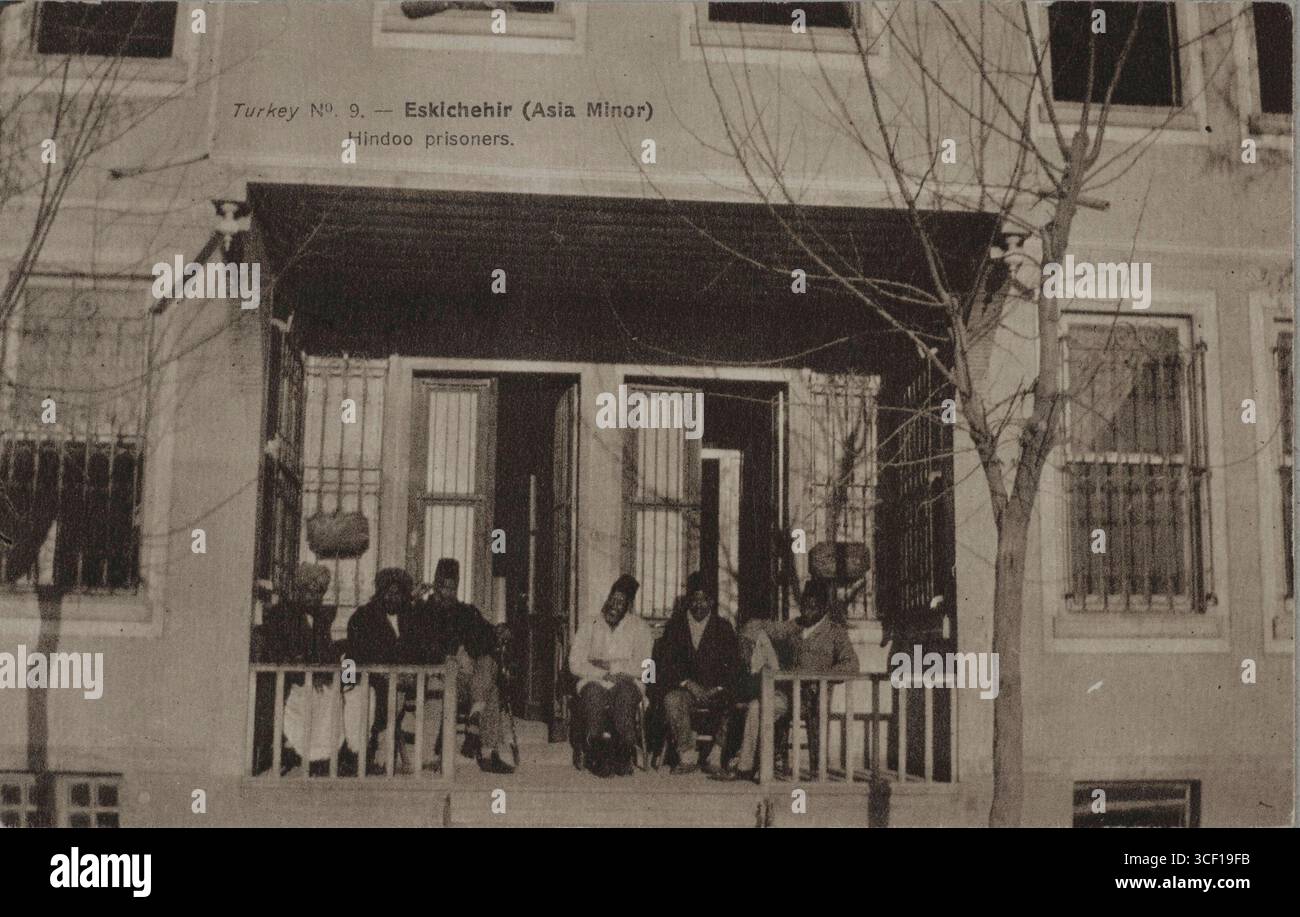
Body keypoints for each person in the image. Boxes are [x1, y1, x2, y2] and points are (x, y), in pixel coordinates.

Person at [719, 578, 859, 780]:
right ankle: (745, 765)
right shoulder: (795, 625)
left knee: (812, 719)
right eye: (805, 605)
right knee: (756, 707)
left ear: (824, 607)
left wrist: (822, 677)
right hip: (787, 695)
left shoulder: (835, 633)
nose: (808, 610)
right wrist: (752, 629)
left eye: (814, 606)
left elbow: (851, 665)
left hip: (813, 698)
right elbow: (768, 629)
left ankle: (815, 771)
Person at [419, 558, 515, 775]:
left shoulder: (465, 611)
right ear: (436, 585)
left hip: (470, 680)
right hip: (445, 676)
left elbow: (486, 636)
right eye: (444, 587)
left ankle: (475, 721)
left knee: (488, 663)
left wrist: (498, 632)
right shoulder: (425, 612)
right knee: (491, 689)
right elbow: (421, 645)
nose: (449, 593)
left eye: (453, 588)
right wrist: (451, 655)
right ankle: (487, 750)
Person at [653, 571, 739, 775]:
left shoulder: (724, 628)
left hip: (716, 691)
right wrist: (687, 684)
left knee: (733, 700)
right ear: (688, 601)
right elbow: (665, 664)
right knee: (672, 700)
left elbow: (735, 666)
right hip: (686, 690)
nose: (700, 605)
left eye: (705, 599)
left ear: (712, 602)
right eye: (695, 599)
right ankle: (687, 754)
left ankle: (716, 755)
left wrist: (717, 688)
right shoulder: (675, 627)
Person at [569, 574, 653, 777]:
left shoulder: (640, 628)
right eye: (613, 599)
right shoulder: (591, 623)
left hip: (628, 682)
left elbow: (647, 669)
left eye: (621, 602)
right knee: (593, 695)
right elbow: (574, 663)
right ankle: (596, 752)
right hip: (595, 680)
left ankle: (624, 752)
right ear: (607, 598)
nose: (615, 606)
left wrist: (611, 666)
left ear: (628, 606)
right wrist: (603, 672)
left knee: (625, 696)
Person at [344, 567, 423, 774]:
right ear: (379, 593)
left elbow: (418, 651)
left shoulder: (412, 617)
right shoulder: (363, 616)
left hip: (403, 681)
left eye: (398, 593)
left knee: (395, 694)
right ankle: (363, 753)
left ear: (405, 595)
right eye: (388, 592)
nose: (393, 598)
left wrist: (408, 672)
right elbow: (352, 654)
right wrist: (349, 683)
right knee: (362, 699)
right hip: (369, 677)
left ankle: (378, 753)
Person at [271, 563, 343, 775]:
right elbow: (280, 653)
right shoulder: (282, 614)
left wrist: (329, 673)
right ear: (299, 590)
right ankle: (307, 755)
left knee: (336, 696)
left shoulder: (322, 618)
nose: (314, 597)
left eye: (319, 592)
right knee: (311, 700)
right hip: (292, 681)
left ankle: (324, 758)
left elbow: (327, 652)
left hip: (318, 680)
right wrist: (308, 675)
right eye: (309, 591)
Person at [714, 617, 787, 782]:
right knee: (752, 707)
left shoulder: (768, 651)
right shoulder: (743, 654)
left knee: (756, 707)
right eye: (743, 641)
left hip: (778, 696)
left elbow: (770, 681)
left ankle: (749, 766)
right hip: (759, 699)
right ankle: (746, 765)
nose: (744, 645)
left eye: (748, 642)